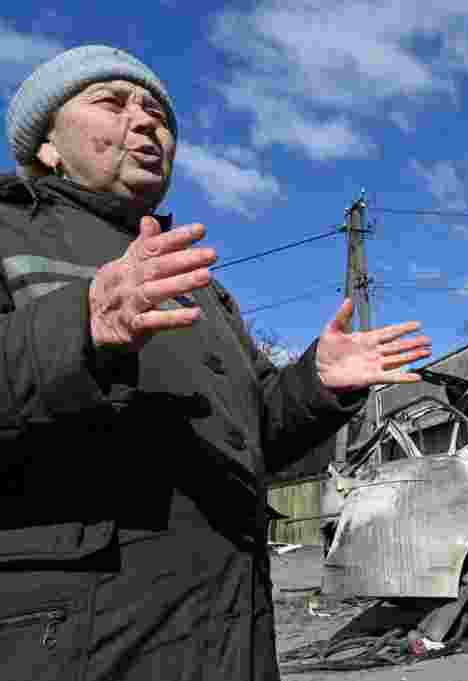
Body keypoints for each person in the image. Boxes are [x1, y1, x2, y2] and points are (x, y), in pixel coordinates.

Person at [0, 45, 432, 681]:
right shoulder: (9, 231)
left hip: (232, 629)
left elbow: (251, 431)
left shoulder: (195, 282)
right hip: (74, 636)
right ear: (47, 145)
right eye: (111, 103)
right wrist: (82, 324)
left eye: (158, 113)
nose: (146, 122)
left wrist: (315, 384)